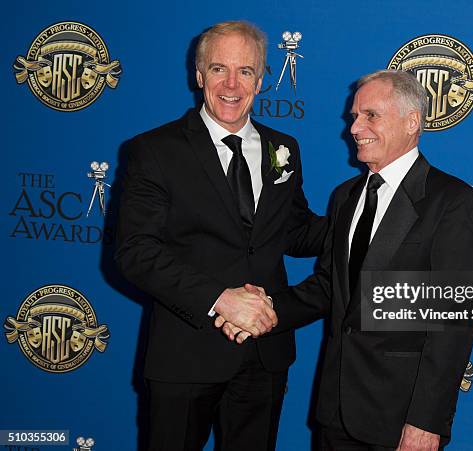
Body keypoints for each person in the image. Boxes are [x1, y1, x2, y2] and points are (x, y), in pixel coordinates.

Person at [220, 70, 473, 450]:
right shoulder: (345, 196)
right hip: (335, 412)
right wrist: (264, 311)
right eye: (354, 117)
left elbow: (454, 324)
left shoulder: (451, 202)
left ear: (412, 122)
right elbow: (330, 287)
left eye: (370, 115)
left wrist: (426, 421)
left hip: (399, 420)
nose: (354, 128)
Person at [115, 21, 326, 451]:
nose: (232, 84)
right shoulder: (154, 150)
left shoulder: (283, 148)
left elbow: (295, 232)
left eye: (245, 71)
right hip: (186, 353)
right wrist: (220, 298)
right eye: (218, 69)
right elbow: (136, 252)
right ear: (198, 75)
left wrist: (365, 211)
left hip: (263, 355)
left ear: (262, 79)